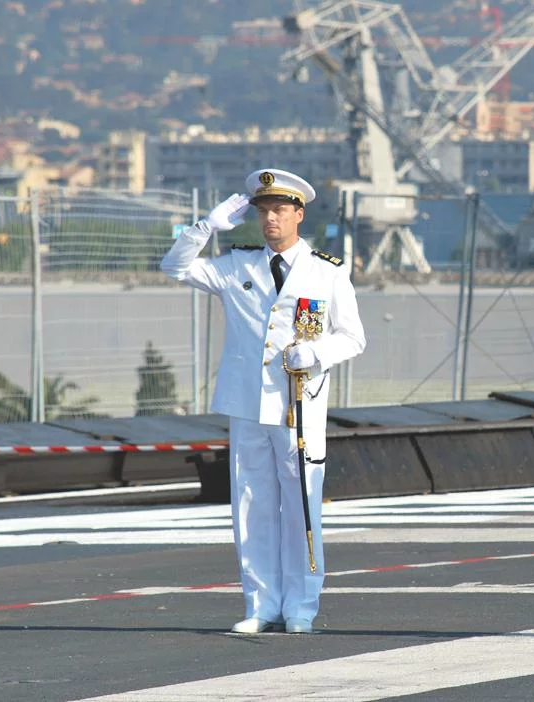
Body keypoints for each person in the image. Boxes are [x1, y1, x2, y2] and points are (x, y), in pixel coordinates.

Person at [161, 168, 366, 634]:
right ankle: (260, 603)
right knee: (251, 504)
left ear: (299, 213)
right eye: (263, 210)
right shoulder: (237, 265)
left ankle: (301, 605)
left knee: (300, 504)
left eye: (279, 210)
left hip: (300, 405)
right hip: (247, 403)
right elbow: (174, 267)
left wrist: (314, 352)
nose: (270, 219)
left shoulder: (326, 271)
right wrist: (206, 227)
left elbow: (353, 337)